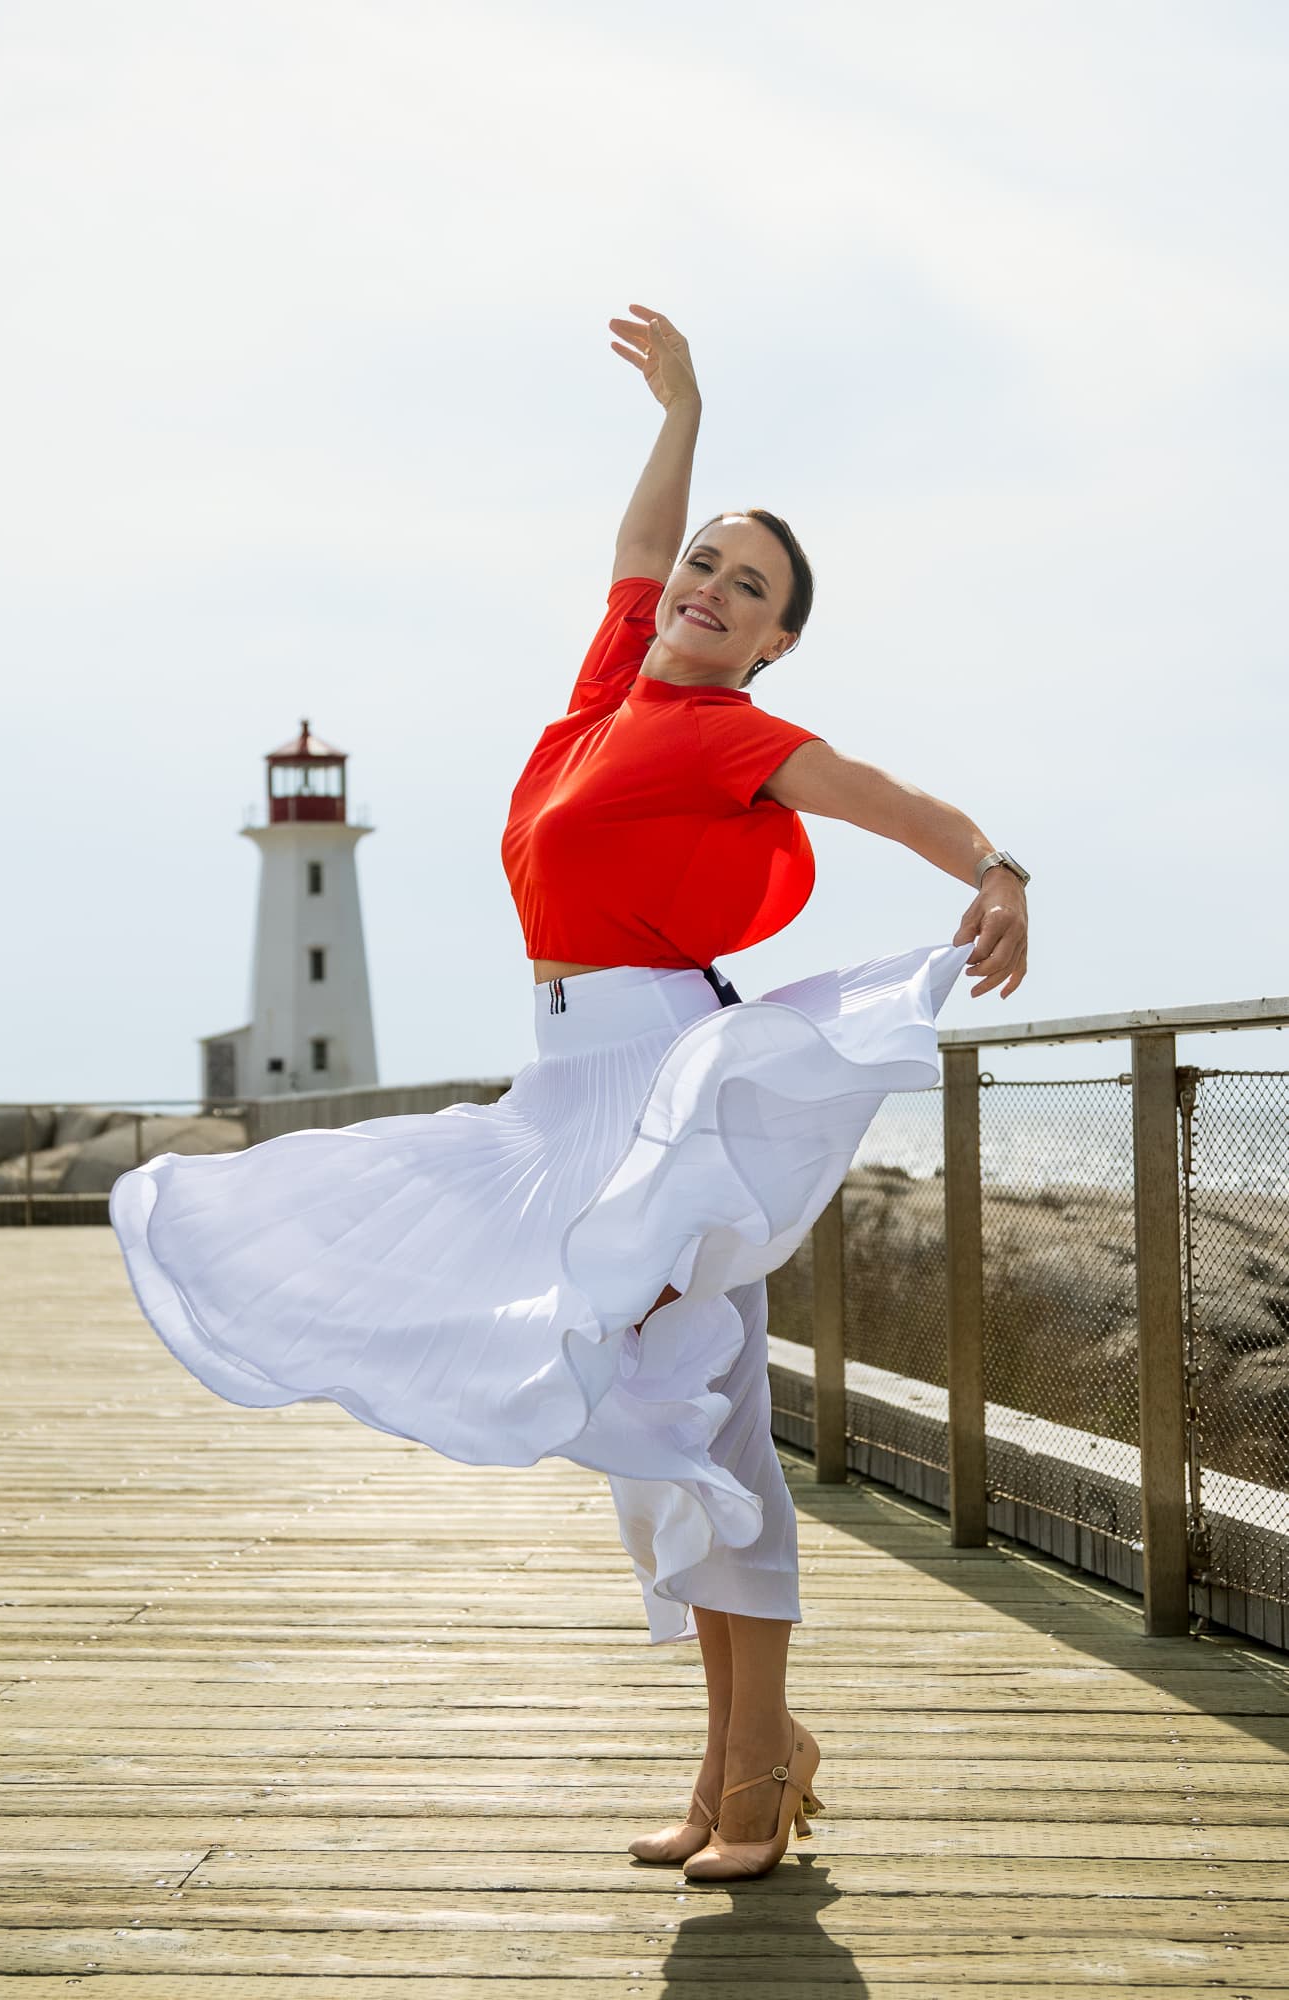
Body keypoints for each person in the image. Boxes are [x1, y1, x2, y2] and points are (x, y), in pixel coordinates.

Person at [109, 304, 1029, 1885]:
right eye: (705, 568)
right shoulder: (611, 687)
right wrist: (679, 414)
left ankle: (752, 1782)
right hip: (563, 1093)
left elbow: (887, 802)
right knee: (644, 1431)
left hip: (671, 1086)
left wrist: (997, 870)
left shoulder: (735, 732)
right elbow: (637, 545)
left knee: (706, 1426)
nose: (706, 589)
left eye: (747, 589)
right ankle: (748, 1755)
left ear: (772, 642)